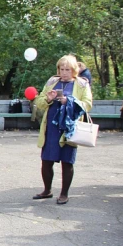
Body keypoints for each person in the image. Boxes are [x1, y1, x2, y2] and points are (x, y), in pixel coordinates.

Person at [32, 55, 92, 205]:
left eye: (68, 69)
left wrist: (69, 101)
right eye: (62, 69)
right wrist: (48, 99)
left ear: (74, 70)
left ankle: (64, 194)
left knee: (67, 162)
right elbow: (38, 102)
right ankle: (47, 190)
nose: (64, 72)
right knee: (46, 161)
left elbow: (87, 104)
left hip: (69, 128)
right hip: (51, 127)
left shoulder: (82, 84)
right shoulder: (52, 82)